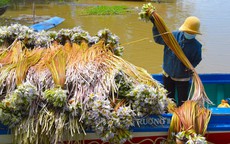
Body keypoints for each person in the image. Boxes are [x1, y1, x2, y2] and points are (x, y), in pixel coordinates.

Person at [149, 14, 202, 107]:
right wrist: (155, 25)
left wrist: (191, 67)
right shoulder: (173, 36)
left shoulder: (196, 46)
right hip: (168, 74)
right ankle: (169, 114)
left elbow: (197, 59)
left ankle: (180, 117)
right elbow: (158, 39)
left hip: (183, 77)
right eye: (188, 31)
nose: (190, 34)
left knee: (182, 101)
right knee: (169, 99)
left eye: (192, 33)